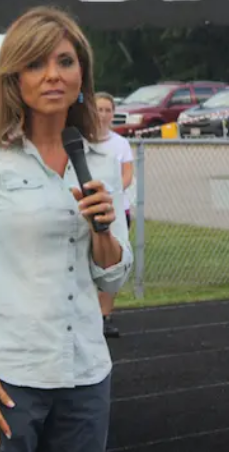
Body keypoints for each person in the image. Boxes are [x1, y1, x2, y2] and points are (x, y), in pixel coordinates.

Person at [0, 6, 133, 451]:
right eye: (36, 64)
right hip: (5, 377)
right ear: (14, 77)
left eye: (65, 61)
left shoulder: (100, 161)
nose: (53, 75)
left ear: (82, 74)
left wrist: (102, 231)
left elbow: (113, 277)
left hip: (85, 376)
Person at [94, 92, 135, 338]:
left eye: (107, 110)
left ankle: (104, 316)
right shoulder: (83, 142)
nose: (103, 115)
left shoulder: (120, 144)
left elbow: (127, 175)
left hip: (117, 211)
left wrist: (111, 192)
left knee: (111, 265)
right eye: (98, 109)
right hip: (89, 212)